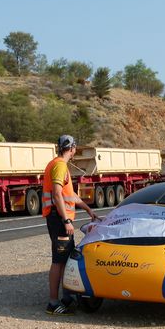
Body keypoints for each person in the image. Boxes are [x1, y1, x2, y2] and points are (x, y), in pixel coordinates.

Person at [42, 134, 98, 315]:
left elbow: (69, 195)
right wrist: (66, 220)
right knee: (58, 261)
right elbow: (57, 194)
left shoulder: (58, 164)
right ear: (72, 148)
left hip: (58, 217)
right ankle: (53, 302)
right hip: (58, 219)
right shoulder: (59, 165)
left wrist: (87, 209)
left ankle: (66, 298)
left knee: (66, 258)